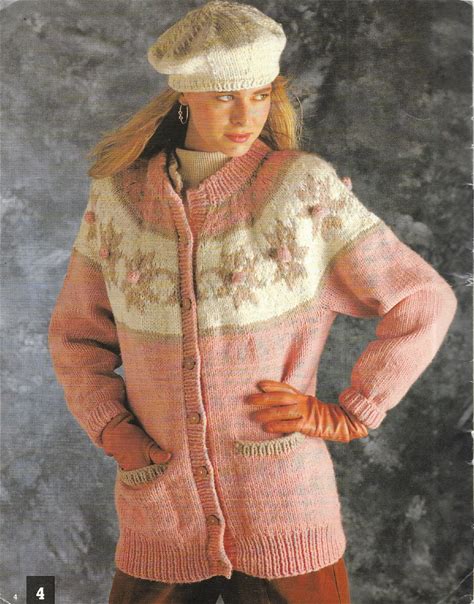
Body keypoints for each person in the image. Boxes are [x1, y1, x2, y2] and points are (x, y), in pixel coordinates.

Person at [47, 1, 458, 603]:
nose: (247, 116)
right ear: (184, 98)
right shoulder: (119, 199)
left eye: (261, 95)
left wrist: (352, 410)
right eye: (225, 97)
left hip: (284, 509)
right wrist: (112, 429)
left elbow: (423, 300)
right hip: (162, 509)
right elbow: (76, 336)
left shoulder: (300, 188)